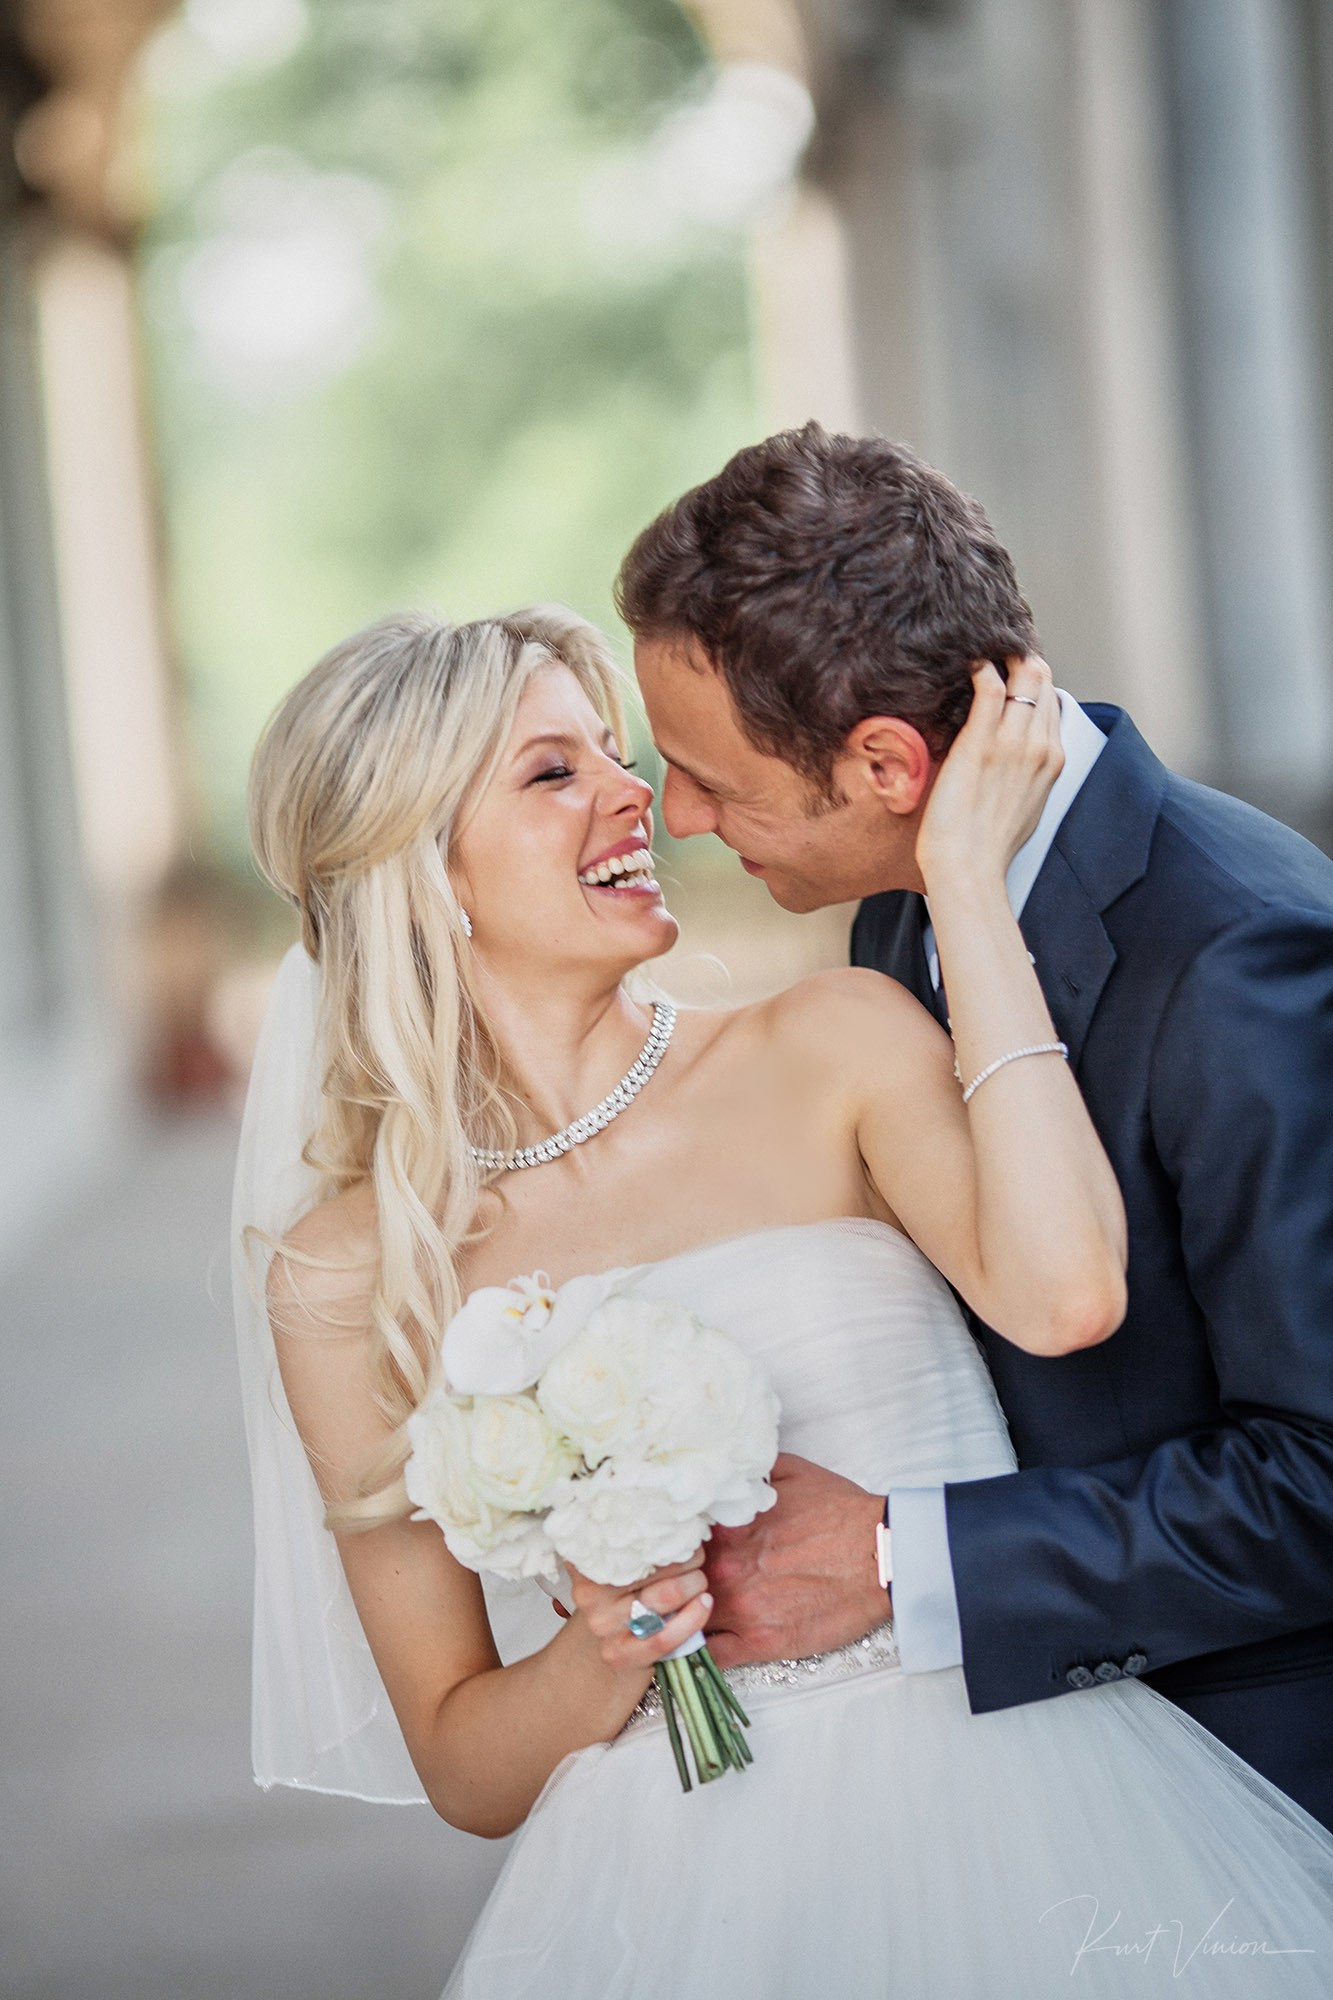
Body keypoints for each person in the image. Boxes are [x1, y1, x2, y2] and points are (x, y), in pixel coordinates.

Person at [233, 602, 1333, 1998]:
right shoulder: (345, 1274)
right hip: (670, 1895)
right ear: (420, 867)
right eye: (552, 771)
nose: (640, 796)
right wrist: (611, 1641)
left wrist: (966, 886)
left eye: (615, 755)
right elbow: (465, 1762)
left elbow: (1063, 1294)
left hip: (1026, 1800)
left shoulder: (835, 1043)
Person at [618, 420, 1333, 1839]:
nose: (676, 815)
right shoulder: (902, 896)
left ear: (887, 764)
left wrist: (902, 1556)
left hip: (1247, 1793)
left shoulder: (1245, 960)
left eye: (711, 777)